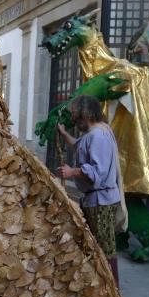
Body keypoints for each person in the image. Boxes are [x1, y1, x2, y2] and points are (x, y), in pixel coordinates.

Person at [56, 95, 123, 285]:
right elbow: (78, 145)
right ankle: (101, 291)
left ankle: (112, 296)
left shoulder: (97, 135)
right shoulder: (97, 132)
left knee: (105, 250)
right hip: (96, 200)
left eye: (75, 116)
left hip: (101, 201)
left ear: (85, 115)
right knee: (98, 248)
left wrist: (72, 172)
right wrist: (63, 133)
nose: (74, 121)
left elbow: (98, 172)